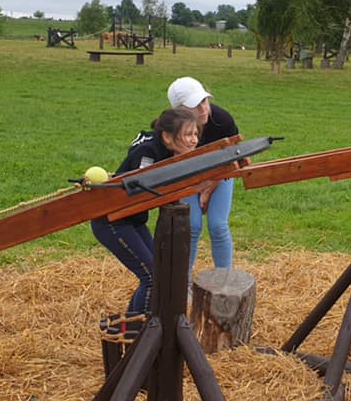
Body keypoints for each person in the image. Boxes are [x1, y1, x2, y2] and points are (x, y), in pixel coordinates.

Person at [90, 107, 200, 317]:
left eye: (195, 134)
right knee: (152, 276)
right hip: (112, 221)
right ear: (167, 137)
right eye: (188, 134)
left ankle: (133, 324)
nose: (194, 140)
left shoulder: (164, 148)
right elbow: (141, 191)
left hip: (133, 220)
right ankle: (139, 334)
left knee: (158, 272)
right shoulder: (147, 153)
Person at [167, 77, 240, 275]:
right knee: (191, 226)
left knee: (218, 225)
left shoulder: (222, 120)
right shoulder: (171, 128)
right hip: (188, 175)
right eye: (195, 105)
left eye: (204, 101)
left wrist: (209, 187)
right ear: (179, 110)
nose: (203, 109)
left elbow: (234, 157)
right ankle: (184, 283)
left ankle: (225, 280)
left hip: (222, 171)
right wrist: (197, 186)